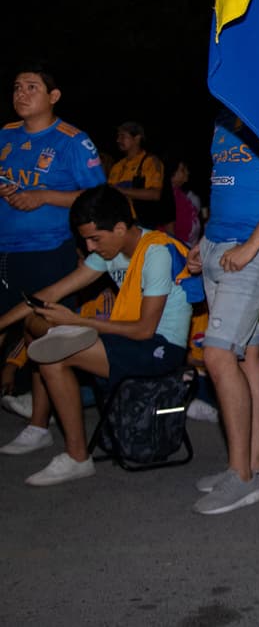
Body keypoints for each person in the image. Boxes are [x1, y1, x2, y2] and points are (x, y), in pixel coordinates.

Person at [0, 185, 193, 484]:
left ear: (120, 228)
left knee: (53, 356)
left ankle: (77, 458)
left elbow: (145, 330)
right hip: (128, 337)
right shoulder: (110, 249)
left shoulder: (156, 252)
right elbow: (50, 293)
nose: (89, 248)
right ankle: (40, 426)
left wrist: (79, 322)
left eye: (94, 239)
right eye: (85, 240)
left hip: (160, 346)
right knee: (34, 323)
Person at [188, 110, 259, 515]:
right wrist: (205, 242)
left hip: (255, 250)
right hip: (219, 246)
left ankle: (242, 478)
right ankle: (257, 463)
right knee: (248, 352)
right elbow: (224, 185)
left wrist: (251, 246)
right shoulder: (222, 119)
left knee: (218, 355)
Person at [0, 64, 106, 403]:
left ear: (54, 96)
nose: (21, 94)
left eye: (32, 87)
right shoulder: (5, 134)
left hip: (47, 251)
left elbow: (99, 197)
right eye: (17, 87)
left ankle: (39, 422)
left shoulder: (73, 141)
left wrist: (45, 196)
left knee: (43, 338)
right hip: (4, 249)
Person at [107, 121, 171, 230]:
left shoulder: (150, 162)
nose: (118, 140)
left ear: (137, 138)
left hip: (140, 224)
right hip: (118, 222)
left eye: (123, 136)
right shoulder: (117, 166)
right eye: (118, 136)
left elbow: (155, 194)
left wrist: (119, 190)